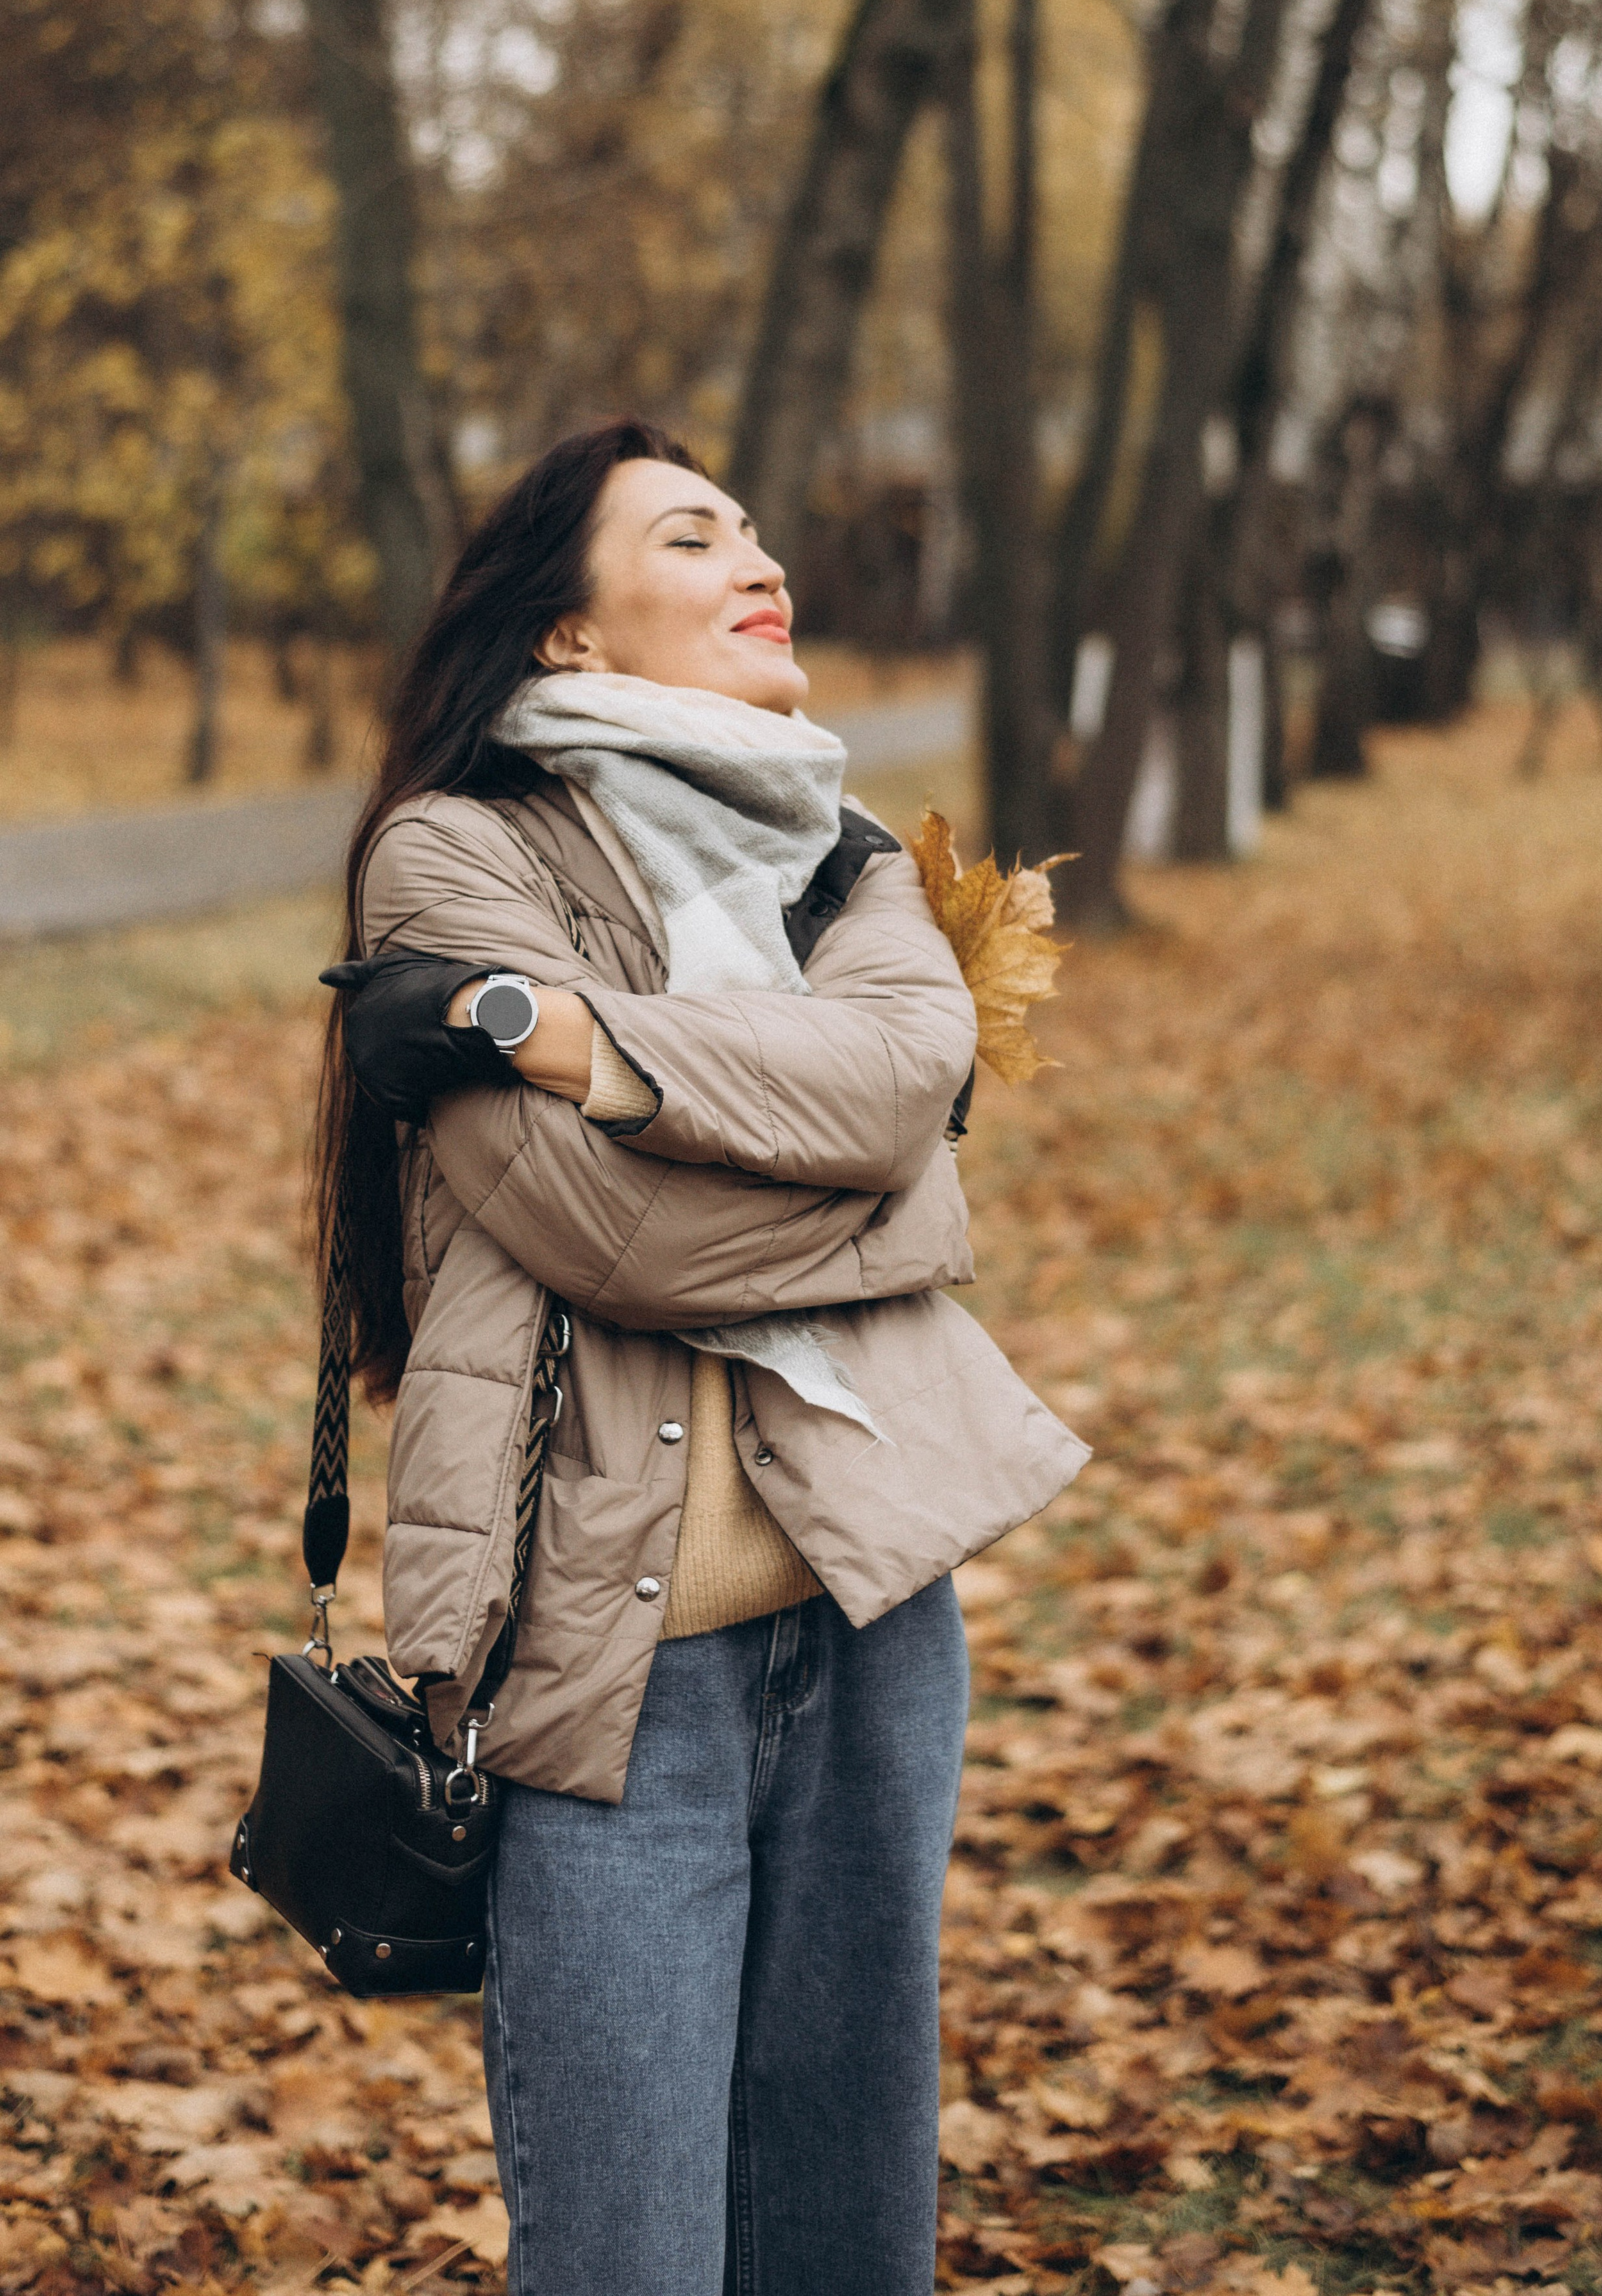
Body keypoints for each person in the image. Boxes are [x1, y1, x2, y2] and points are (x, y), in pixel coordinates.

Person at [316, 418, 1087, 2296]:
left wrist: (591, 1048)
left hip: (872, 1623)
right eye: (693, 534)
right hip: (607, 1661)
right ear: (564, 635)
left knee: (846, 2240)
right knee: (633, 2252)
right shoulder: (453, 855)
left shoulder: (836, 854)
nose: (765, 561)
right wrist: (876, 1199)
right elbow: (621, 1237)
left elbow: (914, 1078)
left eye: (757, 526)